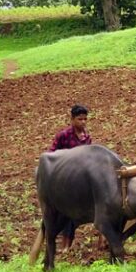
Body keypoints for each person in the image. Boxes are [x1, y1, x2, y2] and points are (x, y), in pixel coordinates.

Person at [47, 104, 92, 251]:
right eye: (80, 119)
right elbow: (52, 155)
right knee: (63, 212)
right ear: (72, 119)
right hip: (64, 179)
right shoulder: (63, 136)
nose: (83, 122)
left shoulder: (87, 138)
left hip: (79, 181)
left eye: (85, 119)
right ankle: (60, 244)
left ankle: (67, 244)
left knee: (73, 213)